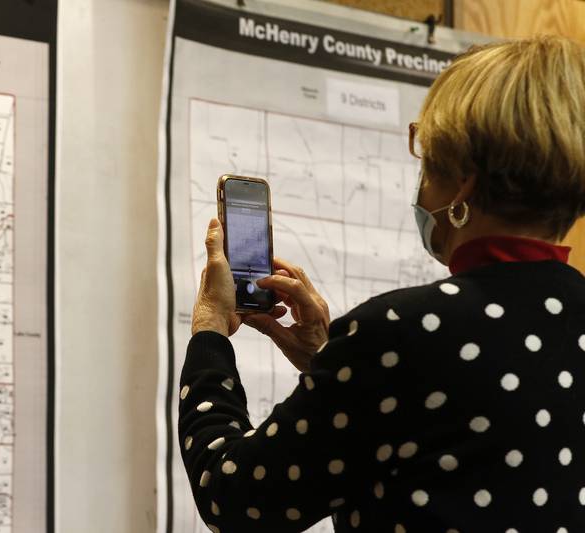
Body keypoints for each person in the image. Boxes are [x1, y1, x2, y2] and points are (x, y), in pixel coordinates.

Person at [179, 35, 585, 532]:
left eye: (427, 156)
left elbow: (233, 499)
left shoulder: (402, 333)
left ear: (464, 184)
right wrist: (331, 361)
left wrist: (209, 334)